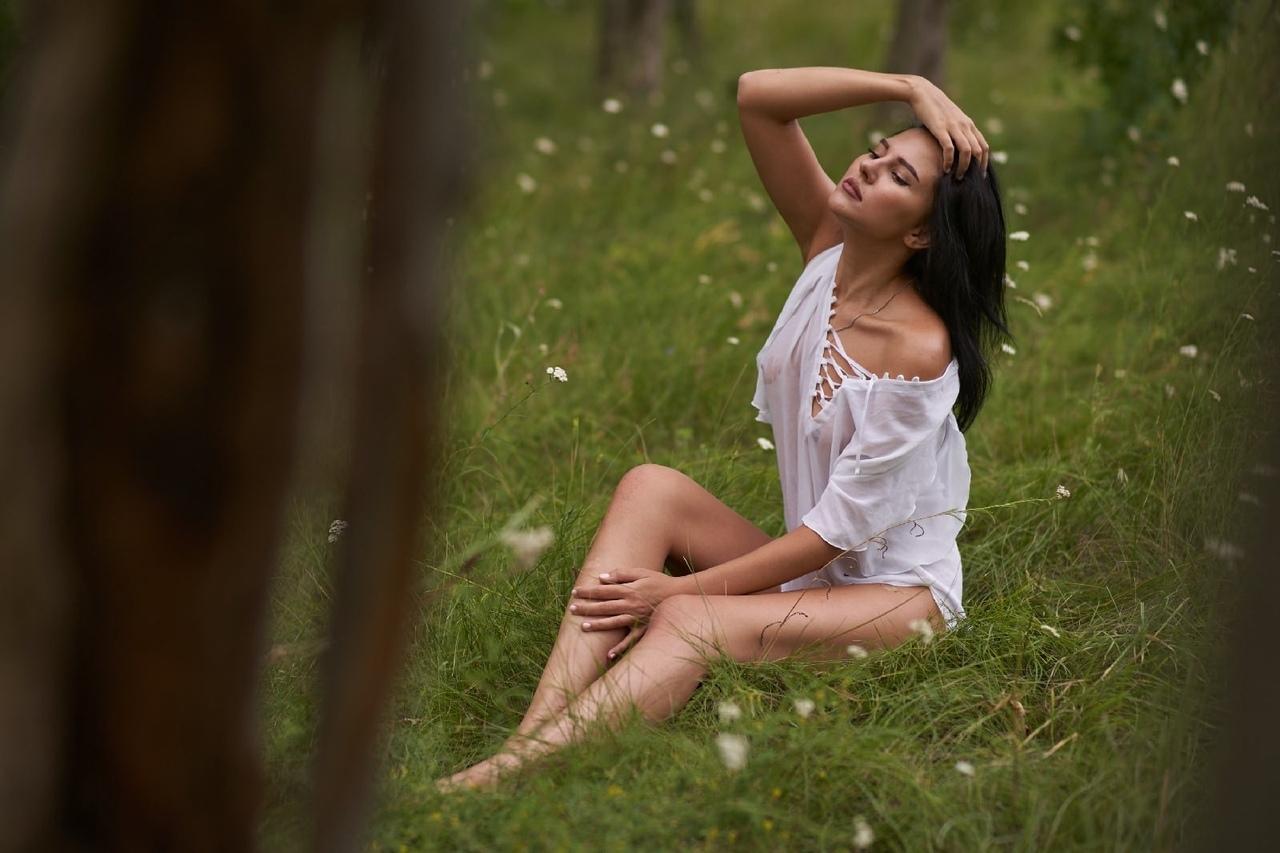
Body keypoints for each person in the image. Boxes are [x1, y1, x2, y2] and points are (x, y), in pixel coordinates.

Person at [436, 66, 1010, 793]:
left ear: (922, 231)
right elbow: (757, 99)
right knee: (651, 487)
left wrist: (678, 592)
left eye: (899, 176)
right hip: (814, 576)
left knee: (689, 619)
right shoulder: (827, 250)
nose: (868, 166)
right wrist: (907, 86)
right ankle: (534, 732)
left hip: (896, 600)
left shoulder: (918, 349)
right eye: (876, 150)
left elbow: (833, 535)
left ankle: (497, 782)